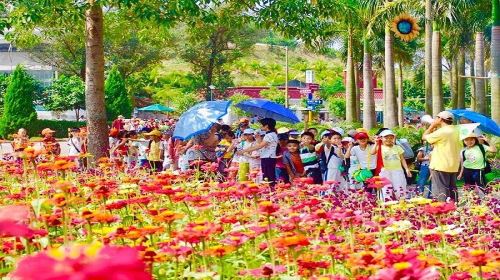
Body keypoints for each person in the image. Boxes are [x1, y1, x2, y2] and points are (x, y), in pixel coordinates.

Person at [422, 111, 461, 202]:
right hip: (453, 165)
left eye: (436, 117)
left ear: (440, 119)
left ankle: (443, 210)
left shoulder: (442, 132)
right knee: (452, 189)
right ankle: (454, 208)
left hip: (440, 165)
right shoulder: (456, 130)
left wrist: (431, 126)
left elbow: (424, 137)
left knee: (441, 190)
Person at [237, 118, 279, 189]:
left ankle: (270, 190)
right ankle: (269, 190)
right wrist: (258, 138)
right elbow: (263, 146)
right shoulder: (271, 134)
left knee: (268, 177)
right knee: (267, 176)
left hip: (268, 158)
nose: (260, 127)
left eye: (261, 125)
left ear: (266, 126)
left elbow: (259, 146)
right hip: (268, 157)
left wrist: (244, 151)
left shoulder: (270, 135)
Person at [372, 130, 412, 200]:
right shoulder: (379, 147)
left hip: (397, 171)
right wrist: (376, 143)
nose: (388, 139)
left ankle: (401, 203)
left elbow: (402, 159)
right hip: (385, 171)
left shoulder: (397, 147)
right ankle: (387, 204)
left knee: (400, 188)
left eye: (391, 138)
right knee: (386, 189)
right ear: (381, 138)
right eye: (386, 138)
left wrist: (406, 169)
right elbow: (372, 152)